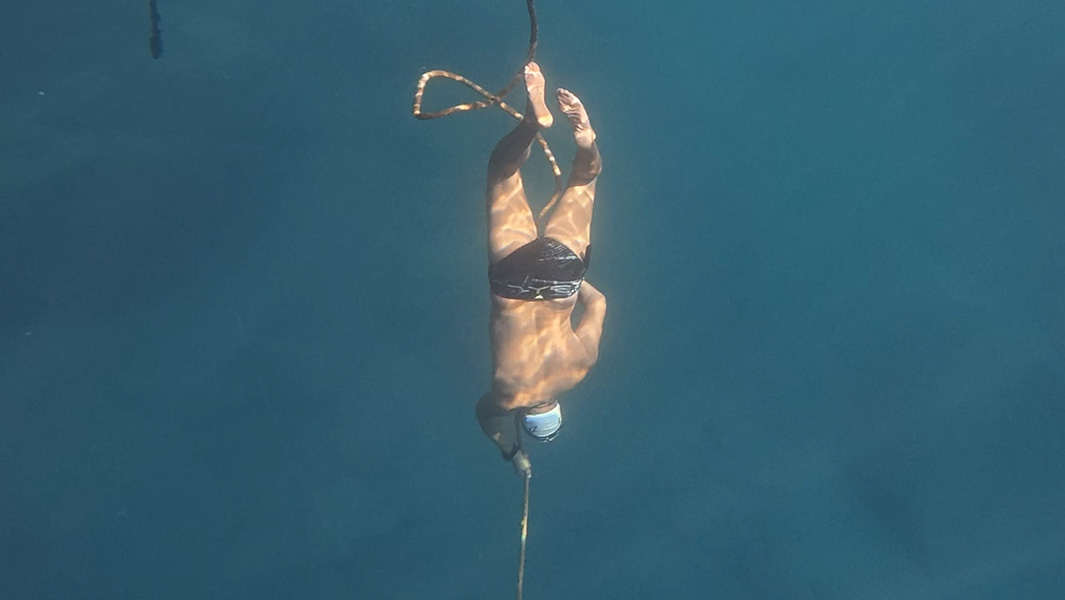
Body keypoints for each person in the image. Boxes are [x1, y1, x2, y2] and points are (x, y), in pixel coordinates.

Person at [475, 62, 607, 478]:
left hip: (562, 279)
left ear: (558, 409)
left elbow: (600, 303)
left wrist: (575, 283)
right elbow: (485, 417)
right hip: (512, 283)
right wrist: (512, 454)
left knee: (583, 182)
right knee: (502, 172)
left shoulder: (579, 368)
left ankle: (586, 142)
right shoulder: (506, 395)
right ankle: (532, 123)